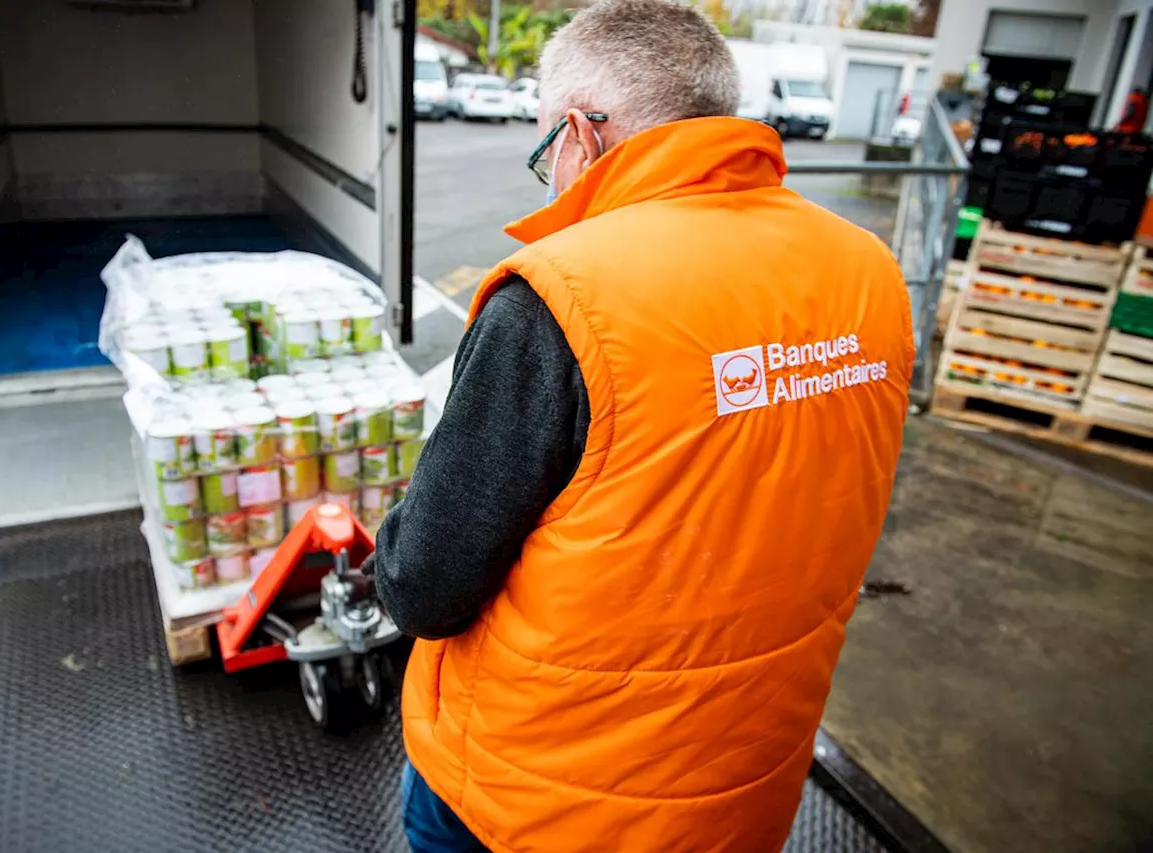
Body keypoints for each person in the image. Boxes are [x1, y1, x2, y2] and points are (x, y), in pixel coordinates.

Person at [368, 1, 915, 850]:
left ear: (581, 136)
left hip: (536, 802)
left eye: (545, 148)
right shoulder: (865, 268)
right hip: (740, 783)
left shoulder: (562, 298)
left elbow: (424, 585)